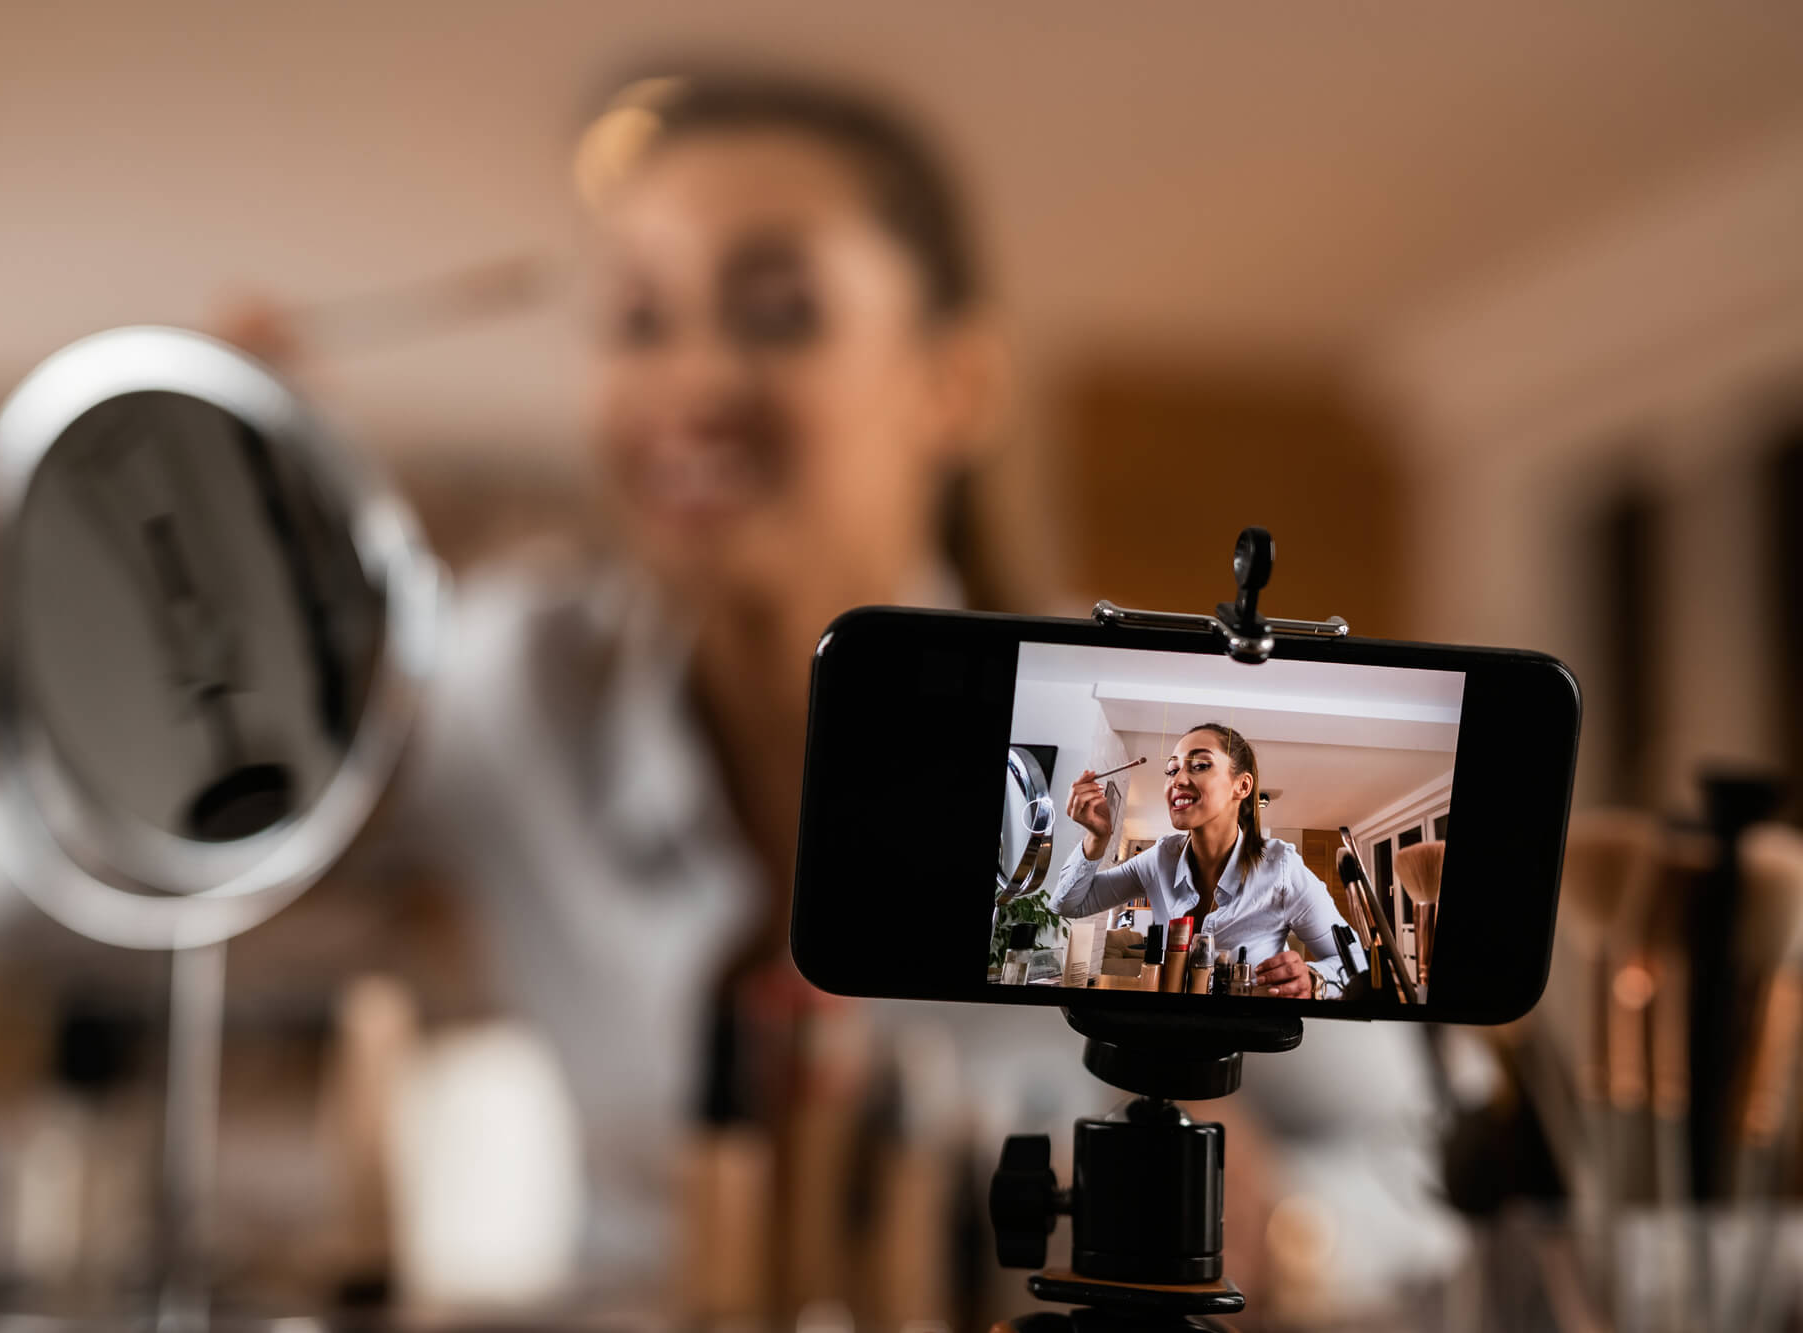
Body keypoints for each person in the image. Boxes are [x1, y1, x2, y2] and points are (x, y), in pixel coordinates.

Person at [405, 71, 1013, 1281]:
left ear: (955, 384)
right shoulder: (507, 685)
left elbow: (1406, 1164)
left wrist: (1282, 1228)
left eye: (777, 311)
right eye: (638, 319)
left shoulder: (1131, 733)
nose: (688, 385)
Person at [1050, 721, 1367, 998]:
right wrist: (1096, 838)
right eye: (1172, 769)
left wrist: (1314, 980)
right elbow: (1069, 905)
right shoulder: (1159, 859)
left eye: (1199, 765)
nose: (1178, 779)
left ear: (1241, 786)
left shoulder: (1282, 868)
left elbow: (1355, 963)